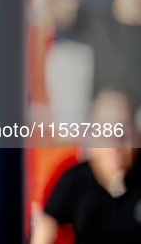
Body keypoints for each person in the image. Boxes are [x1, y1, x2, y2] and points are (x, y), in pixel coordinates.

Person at [31, 89, 141, 243]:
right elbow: (44, 228)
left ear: (136, 134)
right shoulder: (75, 180)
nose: (115, 145)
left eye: (123, 134)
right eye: (106, 134)